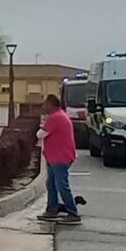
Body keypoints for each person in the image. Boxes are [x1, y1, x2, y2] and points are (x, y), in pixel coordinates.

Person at [38, 93, 80, 221]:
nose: (43, 106)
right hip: (56, 157)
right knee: (51, 183)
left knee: (61, 185)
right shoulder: (60, 115)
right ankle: (52, 209)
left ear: (51, 105)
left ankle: (72, 212)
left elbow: (40, 134)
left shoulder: (55, 118)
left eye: (45, 104)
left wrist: (41, 126)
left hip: (59, 157)